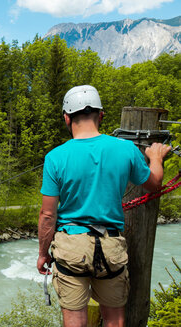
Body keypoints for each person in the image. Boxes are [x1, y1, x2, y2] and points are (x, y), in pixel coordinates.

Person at [36, 85, 171, 327]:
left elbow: (48, 215)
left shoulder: (55, 157)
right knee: (115, 321)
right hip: (111, 247)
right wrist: (156, 158)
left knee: (75, 320)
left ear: (66, 118)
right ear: (101, 115)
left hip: (71, 248)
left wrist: (43, 254)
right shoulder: (126, 149)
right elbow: (154, 184)